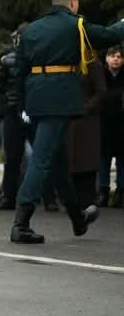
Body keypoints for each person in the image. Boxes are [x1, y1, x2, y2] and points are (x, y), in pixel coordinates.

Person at [11, 0, 124, 244]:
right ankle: (21, 223)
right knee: (40, 160)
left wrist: (21, 105)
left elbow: (19, 71)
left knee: (58, 162)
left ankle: (77, 217)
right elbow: (109, 35)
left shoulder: (32, 29)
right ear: (73, 2)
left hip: (37, 99)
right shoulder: (76, 25)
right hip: (58, 98)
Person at [0, 27, 28, 210]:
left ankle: (37, 196)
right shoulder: (7, 61)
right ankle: (9, 196)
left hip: (30, 110)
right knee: (11, 156)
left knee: (35, 155)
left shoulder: (37, 58)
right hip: (13, 110)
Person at [66, 59, 105, 211]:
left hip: (88, 120)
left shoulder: (94, 65)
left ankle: (87, 201)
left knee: (86, 162)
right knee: (72, 161)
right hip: (70, 119)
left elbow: (101, 91)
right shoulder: (68, 64)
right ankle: (73, 202)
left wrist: (85, 108)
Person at [99, 46, 124, 207]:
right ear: (106, 58)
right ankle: (103, 190)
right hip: (103, 121)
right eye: (112, 56)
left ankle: (121, 191)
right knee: (103, 157)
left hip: (122, 122)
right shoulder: (100, 75)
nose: (116, 59)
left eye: (120, 57)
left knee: (122, 158)